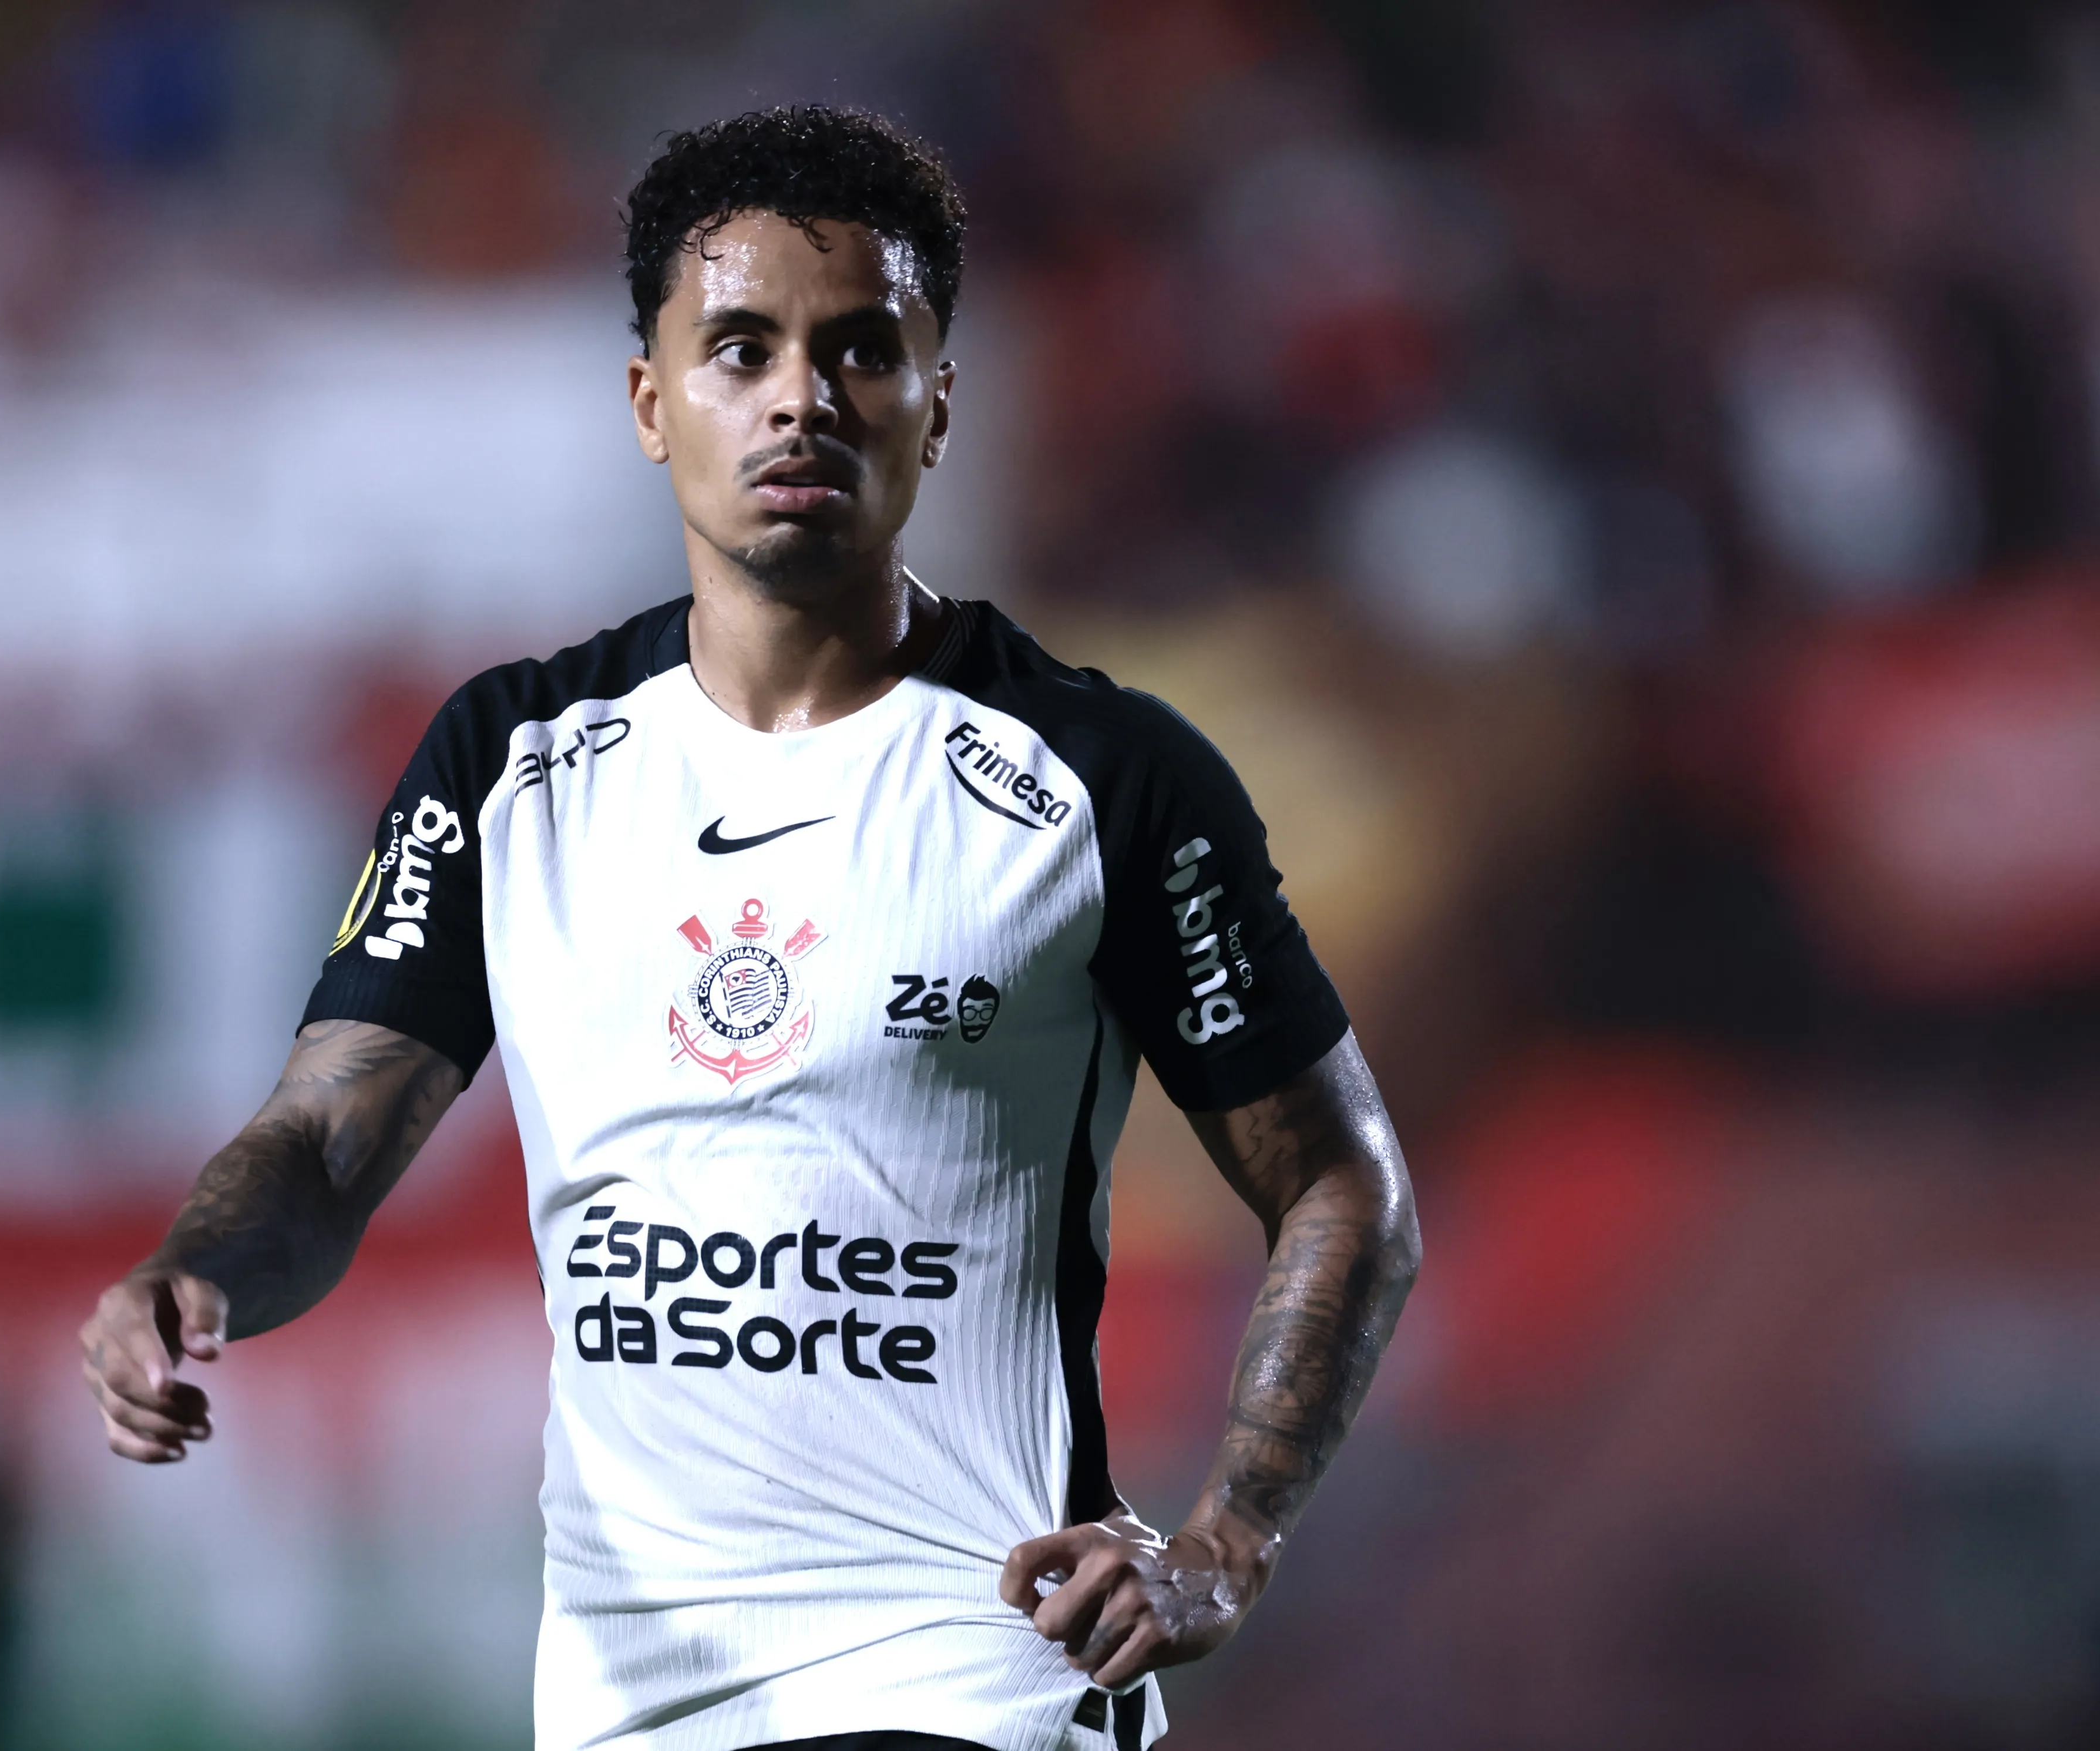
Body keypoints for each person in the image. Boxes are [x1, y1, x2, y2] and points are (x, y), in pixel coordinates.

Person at [78, 105, 1419, 1751]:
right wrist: (192, 1272)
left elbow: (1343, 1182)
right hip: (627, 1701)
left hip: (974, 1677)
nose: (802, 397)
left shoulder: (1103, 778)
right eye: (741, 349)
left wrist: (1227, 1539)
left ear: (938, 406)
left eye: (863, 349)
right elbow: (328, 1137)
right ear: (652, 403)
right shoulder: (512, 763)